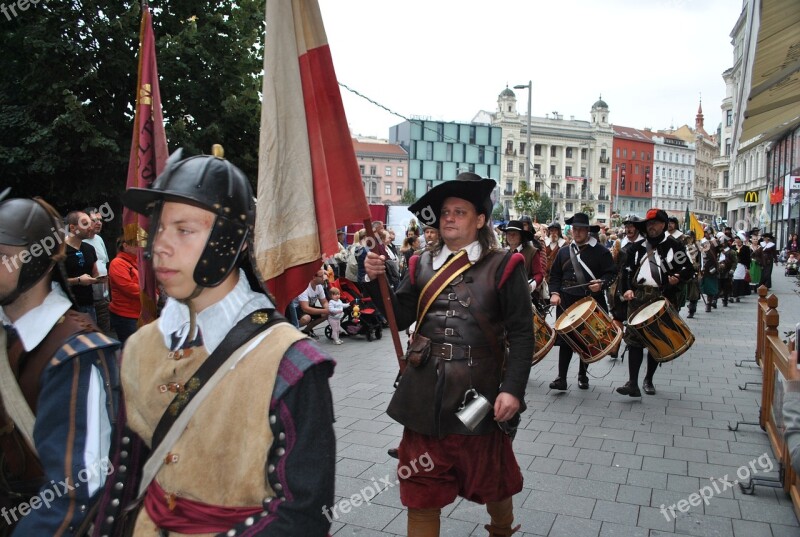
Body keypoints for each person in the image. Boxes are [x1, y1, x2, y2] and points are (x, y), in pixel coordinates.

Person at [93, 148, 336, 536]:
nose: (159, 245)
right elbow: (123, 475)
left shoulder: (290, 362)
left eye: (184, 230)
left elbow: (303, 516)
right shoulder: (139, 348)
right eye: (159, 227)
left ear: (231, 240)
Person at [363, 172, 533, 537]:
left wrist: (513, 389)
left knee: (492, 475)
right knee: (421, 486)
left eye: (460, 211)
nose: (449, 218)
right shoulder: (420, 264)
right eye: (445, 212)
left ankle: (501, 529)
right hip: (423, 394)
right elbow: (400, 316)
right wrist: (374, 281)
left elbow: (522, 334)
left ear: (481, 220)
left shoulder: (505, 265)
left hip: (477, 397)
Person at [0, 196, 120, 535]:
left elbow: (76, 497)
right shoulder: (8, 337)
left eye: (2, 256)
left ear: (36, 261)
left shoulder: (77, 354)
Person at [617, 209, 693, 396]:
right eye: (648, 223)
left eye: (655, 223)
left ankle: (648, 379)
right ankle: (632, 382)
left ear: (664, 225)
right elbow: (626, 271)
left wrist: (678, 277)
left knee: (655, 339)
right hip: (638, 298)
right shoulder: (638, 248)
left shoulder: (675, 247)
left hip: (662, 297)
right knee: (633, 341)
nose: (651, 226)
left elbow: (688, 269)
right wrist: (626, 289)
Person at [548, 213, 617, 391]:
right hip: (566, 299)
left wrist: (601, 283)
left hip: (589, 299)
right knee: (565, 340)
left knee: (586, 338)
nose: (577, 232)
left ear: (587, 231)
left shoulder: (600, 251)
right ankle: (561, 378)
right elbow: (554, 275)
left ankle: (582, 375)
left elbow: (611, 273)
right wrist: (554, 293)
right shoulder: (564, 251)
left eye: (580, 229)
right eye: (574, 229)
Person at [83, 206, 112, 334]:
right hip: (87, 299)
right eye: (94, 220)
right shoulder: (77, 242)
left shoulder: (99, 239)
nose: (99, 223)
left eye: (100, 220)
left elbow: (104, 264)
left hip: (104, 297)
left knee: (104, 332)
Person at [108, 235, 141, 346]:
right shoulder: (117, 263)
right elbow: (127, 287)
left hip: (140, 312)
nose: (140, 246)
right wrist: (149, 293)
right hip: (126, 315)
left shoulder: (140, 261)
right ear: (125, 246)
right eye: (136, 244)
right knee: (132, 350)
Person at [499, 220, 545, 295]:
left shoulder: (532, 252)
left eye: (514, 234)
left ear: (521, 236)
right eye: (509, 234)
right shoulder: (502, 253)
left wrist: (530, 286)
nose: (511, 236)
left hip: (526, 295)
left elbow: (539, 274)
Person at [296, 269, 330, 338]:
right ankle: (292, 329)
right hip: (298, 309)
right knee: (306, 318)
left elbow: (324, 302)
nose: (324, 278)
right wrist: (325, 310)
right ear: (314, 277)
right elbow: (305, 308)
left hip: (309, 307)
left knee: (327, 314)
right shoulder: (305, 288)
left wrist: (328, 308)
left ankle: (306, 331)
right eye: (321, 276)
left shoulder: (319, 286)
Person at [716, 234, 737, 307]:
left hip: (727, 271)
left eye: (723, 243)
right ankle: (714, 301)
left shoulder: (731, 252)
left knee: (726, 287)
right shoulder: (718, 252)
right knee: (717, 287)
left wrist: (732, 269)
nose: (722, 244)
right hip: (719, 271)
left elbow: (734, 262)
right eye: (721, 243)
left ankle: (725, 300)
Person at [699, 238, 720, 312]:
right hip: (701, 271)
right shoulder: (698, 251)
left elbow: (714, 260)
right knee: (702, 287)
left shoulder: (711, 251)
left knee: (710, 288)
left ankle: (709, 303)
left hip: (710, 271)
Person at [732, 234, 751, 301]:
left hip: (742, 266)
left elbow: (748, 258)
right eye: (735, 238)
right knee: (734, 278)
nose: (736, 239)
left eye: (737, 238)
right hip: (734, 265)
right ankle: (734, 293)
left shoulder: (746, 248)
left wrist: (748, 268)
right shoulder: (733, 247)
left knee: (740, 279)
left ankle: (739, 294)